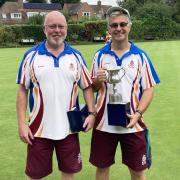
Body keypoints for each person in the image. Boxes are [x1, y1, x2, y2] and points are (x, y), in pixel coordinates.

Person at [16, 11, 96, 180]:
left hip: (69, 129)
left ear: (66, 29)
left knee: (68, 172)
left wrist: (92, 113)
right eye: (52, 26)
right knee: (35, 175)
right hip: (38, 130)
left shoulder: (76, 56)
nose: (57, 30)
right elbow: (23, 90)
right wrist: (22, 124)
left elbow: (87, 86)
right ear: (44, 29)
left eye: (61, 26)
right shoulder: (31, 56)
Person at [89, 7, 160, 180]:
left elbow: (149, 88)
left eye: (122, 24)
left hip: (132, 124)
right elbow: (92, 88)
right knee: (102, 168)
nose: (118, 28)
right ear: (109, 29)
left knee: (138, 171)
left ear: (129, 26)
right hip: (103, 124)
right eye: (114, 25)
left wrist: (138, 113)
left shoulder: (140, 56)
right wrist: (97, 80)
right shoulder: (99, 56)